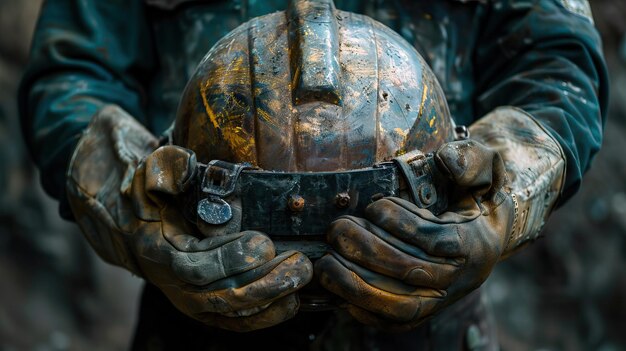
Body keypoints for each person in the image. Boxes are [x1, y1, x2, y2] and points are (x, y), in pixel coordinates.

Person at [19, 0, 607, 350]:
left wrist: (502, 192)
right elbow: (71, 74)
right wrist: (128, 197)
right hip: (200, 299)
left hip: (431, 305)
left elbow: (556, 62)